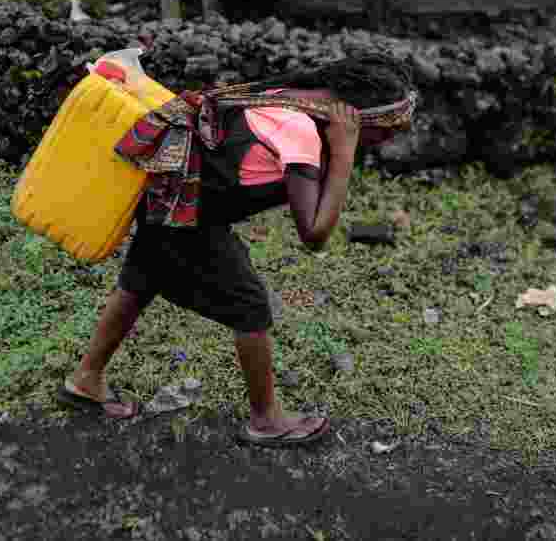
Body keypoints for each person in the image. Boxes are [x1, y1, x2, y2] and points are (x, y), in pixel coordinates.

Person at [56, 54, 416, 447]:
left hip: (171, 194)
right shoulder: (302, 131)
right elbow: (314, 235)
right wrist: (344, 154)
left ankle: (86, 380)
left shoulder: (290, 96)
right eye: (386, 130)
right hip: (186, 213)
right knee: (250, 306)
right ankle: (266, 420)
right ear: (356, 116)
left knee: (141, 279)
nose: (388, 140)